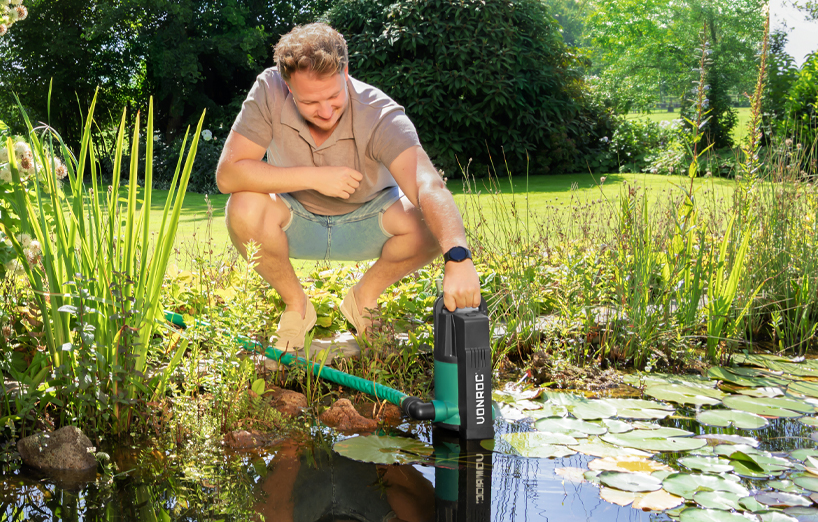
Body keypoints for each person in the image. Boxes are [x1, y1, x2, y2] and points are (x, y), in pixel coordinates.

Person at [216, 22, 481, 352]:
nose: (326, 111)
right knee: (243, 205)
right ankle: (297, 306)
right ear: (288, 86)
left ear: (345, 72)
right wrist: (314, 178)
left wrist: (458, 259)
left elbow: (428, 184)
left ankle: (363, 299)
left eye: (333, 96)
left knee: (431, 221)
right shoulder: (269, 90)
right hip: (296, 219)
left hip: (369, 222)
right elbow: (228, 174)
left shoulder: (380, 114)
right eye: (310, 102)